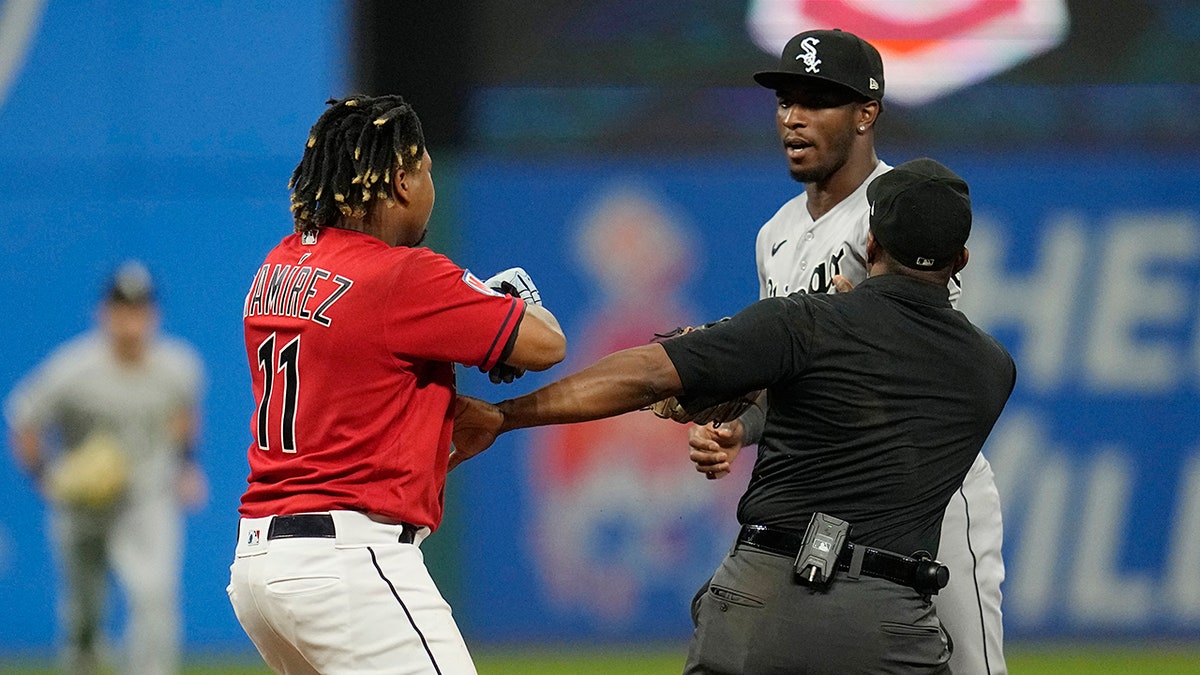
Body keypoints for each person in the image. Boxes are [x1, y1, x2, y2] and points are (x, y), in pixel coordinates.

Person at [451, 157, 1016, 673]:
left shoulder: (805, 324)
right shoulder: (991, 372)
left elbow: (648, 374)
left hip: (761, 599)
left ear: (870, 243)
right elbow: (870, 391)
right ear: (962, 259)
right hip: (887, 618)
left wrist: (506, 416)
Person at [687, 28, 1008, 674]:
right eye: (786, 100)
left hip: (926, 492)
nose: (793, 117)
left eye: (818, 100)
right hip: (821, 495)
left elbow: (930, 367)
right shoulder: (774, 234)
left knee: (975, 667)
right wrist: (740, 426)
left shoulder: (903, 214)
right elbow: (800, 385)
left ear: (867, 113)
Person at [226, 94, 566, 675]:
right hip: (350, 561)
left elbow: (353, 379)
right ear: (401, 181)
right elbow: (546, 345)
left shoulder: (278, 265)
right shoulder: (404, 275)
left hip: (261, 564)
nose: (431, 185)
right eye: (427, 170)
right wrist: (507, 300)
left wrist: (437, 403)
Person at [5, 260, 206, 675]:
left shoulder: (178, 365)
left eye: (139, 309)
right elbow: (23, 417)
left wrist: (187, 466)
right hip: (83, 506)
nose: (130, 320)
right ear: (103, 313)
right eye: (120, 308)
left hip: (147, 498)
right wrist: (46, 477)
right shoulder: (74, 369)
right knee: (83, 618)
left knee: (154, 599)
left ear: (153, 314)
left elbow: (185, 415)